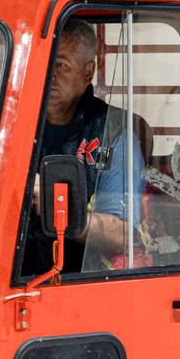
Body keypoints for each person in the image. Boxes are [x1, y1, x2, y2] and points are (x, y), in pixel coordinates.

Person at [31, 17, 145, 274]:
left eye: (60, 64)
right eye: (42, 62)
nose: (49, 74)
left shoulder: (113, 134)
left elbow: (123, 234)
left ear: (88, 72)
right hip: (16, 270)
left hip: (80, 277)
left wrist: (53, 205)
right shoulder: (15, 123)